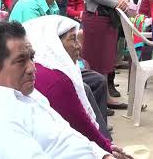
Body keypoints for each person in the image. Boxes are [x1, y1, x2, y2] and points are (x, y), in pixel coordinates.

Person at [0, 21, 132, 159]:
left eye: (32, 57)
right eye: (21, 61)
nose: (32, 68)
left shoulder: (21, 92)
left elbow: (65, 133)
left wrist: (103, 155)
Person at [24, 15, 113, 151]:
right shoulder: (58, 81)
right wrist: (107, 149)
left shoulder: (49, 67)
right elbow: (81, 127)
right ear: (54, 43)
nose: (79, 45)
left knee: (92, 84)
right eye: (73, 39)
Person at [80, 0, 130, 108]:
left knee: (106, 61)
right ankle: (95, 102)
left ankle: (105, 97)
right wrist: (117, 4)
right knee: (94, 62)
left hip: (110, 16)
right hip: (96, 16)